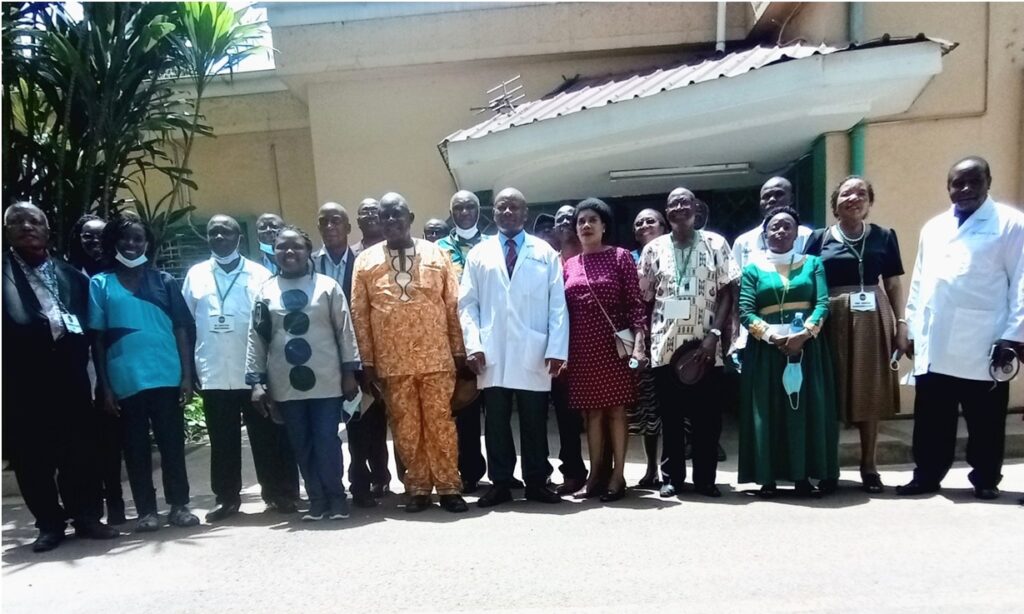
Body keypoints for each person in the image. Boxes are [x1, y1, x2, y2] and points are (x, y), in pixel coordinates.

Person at [896, 157, 1024, 500]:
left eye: (973, 181)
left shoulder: (1011, 224)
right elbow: (921, 281)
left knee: (986, 418)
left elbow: (1022, 283)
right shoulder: (934, 227)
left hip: (984, 339)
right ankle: (927, 475)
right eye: (957, 183)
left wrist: (1013, 335)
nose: (964, 189)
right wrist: (909, 325)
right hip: (935, 339)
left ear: (988, 182)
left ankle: (985, 478)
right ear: (948, 187)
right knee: (932, 416)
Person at [3, 203, 119, 552]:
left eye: (35, 221)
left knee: (80, 452)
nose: (27, 226)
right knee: (32, 458)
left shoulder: (70, 275)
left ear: (48, 230)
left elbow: (91, 328)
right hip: (21, 384)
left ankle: (85, 517)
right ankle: (49, 524)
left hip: (71, 380)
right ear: (7, 230)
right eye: (17, 222)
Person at [351, 193, 470, 513]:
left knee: (440, 424)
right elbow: (359, 315)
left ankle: (448, 487)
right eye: (385, 216)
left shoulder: (437, 253)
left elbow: (452, 305)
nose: (391, 221)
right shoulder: (365, 261)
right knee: (405, 427)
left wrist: (459, 352)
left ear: (411, 217)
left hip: (436, 358)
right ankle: (417, 487)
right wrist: (368, 362)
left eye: (397, 215)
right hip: (393, 363)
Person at [182, 215, 300, 520]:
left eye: (226, 231)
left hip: (253, 373)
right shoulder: (195, 275)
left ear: (239, 238)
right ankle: (227, 498)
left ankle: (274, 493)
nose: (219, 236)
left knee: (264, 437)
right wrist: (190, 370)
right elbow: (186, 325)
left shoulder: (259, 274)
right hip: (214, 371)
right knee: (222, 440)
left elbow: (269, 325)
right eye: (213, 232)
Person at [89, 214, 200, 531]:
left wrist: (186, 376)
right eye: (126, 239)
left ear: (147, 244)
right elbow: (97, 339)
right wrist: (106, 388)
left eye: (139, 239)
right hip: (126, 382)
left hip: (166, 377)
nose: (132, 243)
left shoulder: (164, 281)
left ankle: (179, 506)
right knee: (136, 450)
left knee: (172, 447)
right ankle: (147, 512)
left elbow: (181, 329)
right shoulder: (101, 284)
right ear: (114, 243)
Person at [460, 187, 568, 507]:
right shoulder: (479, 253)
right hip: (492, 351)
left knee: (535, 421)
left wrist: (556, 349)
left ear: (525, 213)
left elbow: (557, 305)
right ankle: (501, 483)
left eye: (514, 207)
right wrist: (473, 345)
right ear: (493, 214)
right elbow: (468, 304)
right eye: (502, 207)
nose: (508, 212)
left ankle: (536, 481)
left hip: (533, 348)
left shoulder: (544, 253)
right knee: (495, 423)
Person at [246, 225, 361, 521]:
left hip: (327, 381)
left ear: (308, 250)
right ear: (275, 253)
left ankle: (336, 498)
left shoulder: (327, 287)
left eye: (295, 246)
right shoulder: (266, 290)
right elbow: (256, 337)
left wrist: (350, 372)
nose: (288, 252)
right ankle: (317, 500)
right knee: (301, 442)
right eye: (282, 247)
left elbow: (344, 332)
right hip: (286, 383)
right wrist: (256, 381)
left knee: (326, 439)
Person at [803, 177, 905, 494]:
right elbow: (806, 281)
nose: (854, 197)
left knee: (868, 389)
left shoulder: (884, 237)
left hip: (873, 317)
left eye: (861, 193)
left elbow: (893, 285)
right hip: (830, 316)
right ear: (835, 204)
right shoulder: (819, 239)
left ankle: (869, 466)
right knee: (830, 389)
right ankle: (828, 466)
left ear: (869, 202)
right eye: (847, 193)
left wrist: (901, 325)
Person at [638, 188, 738, 498]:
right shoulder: (653, 249)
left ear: (696, 208)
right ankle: (673, 478)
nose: (679, 207)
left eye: (685, 202)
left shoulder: (715, 244)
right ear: (666, 213)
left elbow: (727, 292)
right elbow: (645, 299)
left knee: (706, 418)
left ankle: (706, 479)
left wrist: (715, 336)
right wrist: (644, 341)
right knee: (671, 417)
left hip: (705, 347)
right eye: (673, 204)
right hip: (665, 348)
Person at [737, 206, 838, 497]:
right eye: (774, 227)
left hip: (807, 349)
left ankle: (803, 476)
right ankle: (767, 477)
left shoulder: (813, 263)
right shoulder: (753, 268)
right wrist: (770, 336)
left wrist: (804, 334)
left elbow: (822, 303)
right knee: (767, 411)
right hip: (767, 351)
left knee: (805, 411)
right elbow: (745, 310)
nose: (780, 231)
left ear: (797, 233)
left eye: (787, 227)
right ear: (765, 233)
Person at [563, 199, 646, 501]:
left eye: (592, 220)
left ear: (604, 226)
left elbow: (636, 305)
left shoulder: (621, 257)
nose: (585, 225)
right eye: (581, 221)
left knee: (615, 412)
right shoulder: (570, 264)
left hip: (615, 349)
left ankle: (618, 476)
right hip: (582, 349)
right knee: (592, 415)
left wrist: (639, 345)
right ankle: (595, 475)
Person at [313, 201, 392, 507]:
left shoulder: (365, 260)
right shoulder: (310, 263)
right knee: (331, 425)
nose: (330, 227)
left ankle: (367, 480)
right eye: (324, 222)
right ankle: (337, 483)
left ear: (348, 228)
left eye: (336, 221)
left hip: (360, 357)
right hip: (322, 358)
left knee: (366, 423)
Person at [67, 213, 127, 523]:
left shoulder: (118, 274)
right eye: (87, 236)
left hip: (113, 366)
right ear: (77, 239)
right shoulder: (65, 275)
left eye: (101, 236)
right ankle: (88, 511)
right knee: (83, 444)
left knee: (111, 441)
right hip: (76, 369)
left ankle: (116, 504)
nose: (94, 242)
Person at [436, 190, 490, 492]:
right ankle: (466, 472)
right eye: (459, 207)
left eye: (470, 206)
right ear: (451, 211)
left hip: (491, 335)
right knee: (462, 407)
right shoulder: (438, 249)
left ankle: (500, 472)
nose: (465, 211)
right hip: (453, 340)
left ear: (478, 210)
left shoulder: (491, 245)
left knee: (494, 410)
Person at [548, 203, 590, 494]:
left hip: (590, 346)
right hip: (557, 351)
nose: (565, 222)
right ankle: (572, 471)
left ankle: (604, 470)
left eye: (570, 218)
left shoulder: (590, 258)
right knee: (566, 417)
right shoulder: (546, 260)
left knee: (598, 415)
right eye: (559, 218)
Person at [629, 208, 667, 488]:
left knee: (675, 410)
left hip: (676, 342)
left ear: (664, 226)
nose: (644, 225)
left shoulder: (675, 255)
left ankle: (671, 470)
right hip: (641, 344)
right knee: (649, 409)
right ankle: (651, 469)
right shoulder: (629, 260)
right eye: (639, 222)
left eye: (650, 220)